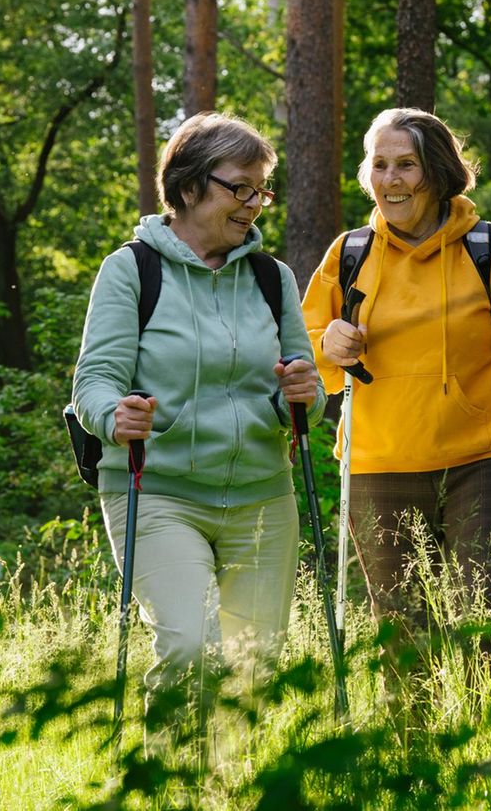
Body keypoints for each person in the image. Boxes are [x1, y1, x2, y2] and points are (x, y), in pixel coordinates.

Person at [300, 107, 491, 689]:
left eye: (407, 165)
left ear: (439, 172)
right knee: (401, 630)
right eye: (380, 165)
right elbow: (301, 352)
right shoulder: (349, 254)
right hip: (381, 456)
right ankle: (411, 767)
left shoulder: (486, 245)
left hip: (483, 450)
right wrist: (331, 341)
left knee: (486, 610)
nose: (391, 180)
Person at [71, 112, 324, 725]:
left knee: (256, 663)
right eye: (240, 187)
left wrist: (301, 390)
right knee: (190, 647)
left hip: (262, 495)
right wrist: (115, 415)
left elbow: (303, 395)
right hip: (158, 492)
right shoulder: (131, 270)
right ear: (189, 187)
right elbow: (94, 383)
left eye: (262, 189)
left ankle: (236, 786)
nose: (255, 204)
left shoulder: (272, 278)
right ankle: (169, 787)